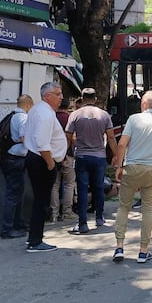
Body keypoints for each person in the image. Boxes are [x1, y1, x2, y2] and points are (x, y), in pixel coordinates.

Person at [112, 90, 152, 263]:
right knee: (148, 209)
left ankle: (119, 247)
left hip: (132, 167)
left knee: (124, 207)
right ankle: (143, 250)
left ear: (144, 104)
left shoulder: (134, 119)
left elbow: (122, 143)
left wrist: (119, 165)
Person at [66, 87, 118, 234]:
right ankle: (99, 217)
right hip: (99, 157)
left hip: (82, 156)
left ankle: (82, 223)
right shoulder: (104, 115)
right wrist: (116, 155)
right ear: (95, 99)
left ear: (82, 99)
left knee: (82, 189)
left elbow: (68, 136)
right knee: (99, 187)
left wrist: (64, 153)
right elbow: (112, 137)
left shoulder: (75, 115)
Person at [23, 82, 67, 252]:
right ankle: (35, 241)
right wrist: (50, 164)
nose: (61, 97)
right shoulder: (45, 114)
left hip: (37, 158)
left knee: (39, 200)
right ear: (47, 96)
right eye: (58, 94)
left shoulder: (39, 110)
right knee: (42, 201)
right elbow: (42, 143)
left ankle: (33, 237)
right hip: (42, 160)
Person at [0, 94, 33, 239]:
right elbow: (25, 139)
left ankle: (18, 224)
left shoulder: (11, 116)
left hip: (7, 157)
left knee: (16, 193)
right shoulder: (23, 119)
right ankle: (7, 229)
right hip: (15, 160)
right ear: (29, 105)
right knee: (13, 195)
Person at [50, 98, 75, 223]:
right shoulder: (69, 118)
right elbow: (73, 138)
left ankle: (54, 213)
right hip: (67, 155)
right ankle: (67, 212)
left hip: (52, 155)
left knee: (55, 185)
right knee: (69, 184)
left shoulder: (51, 117)